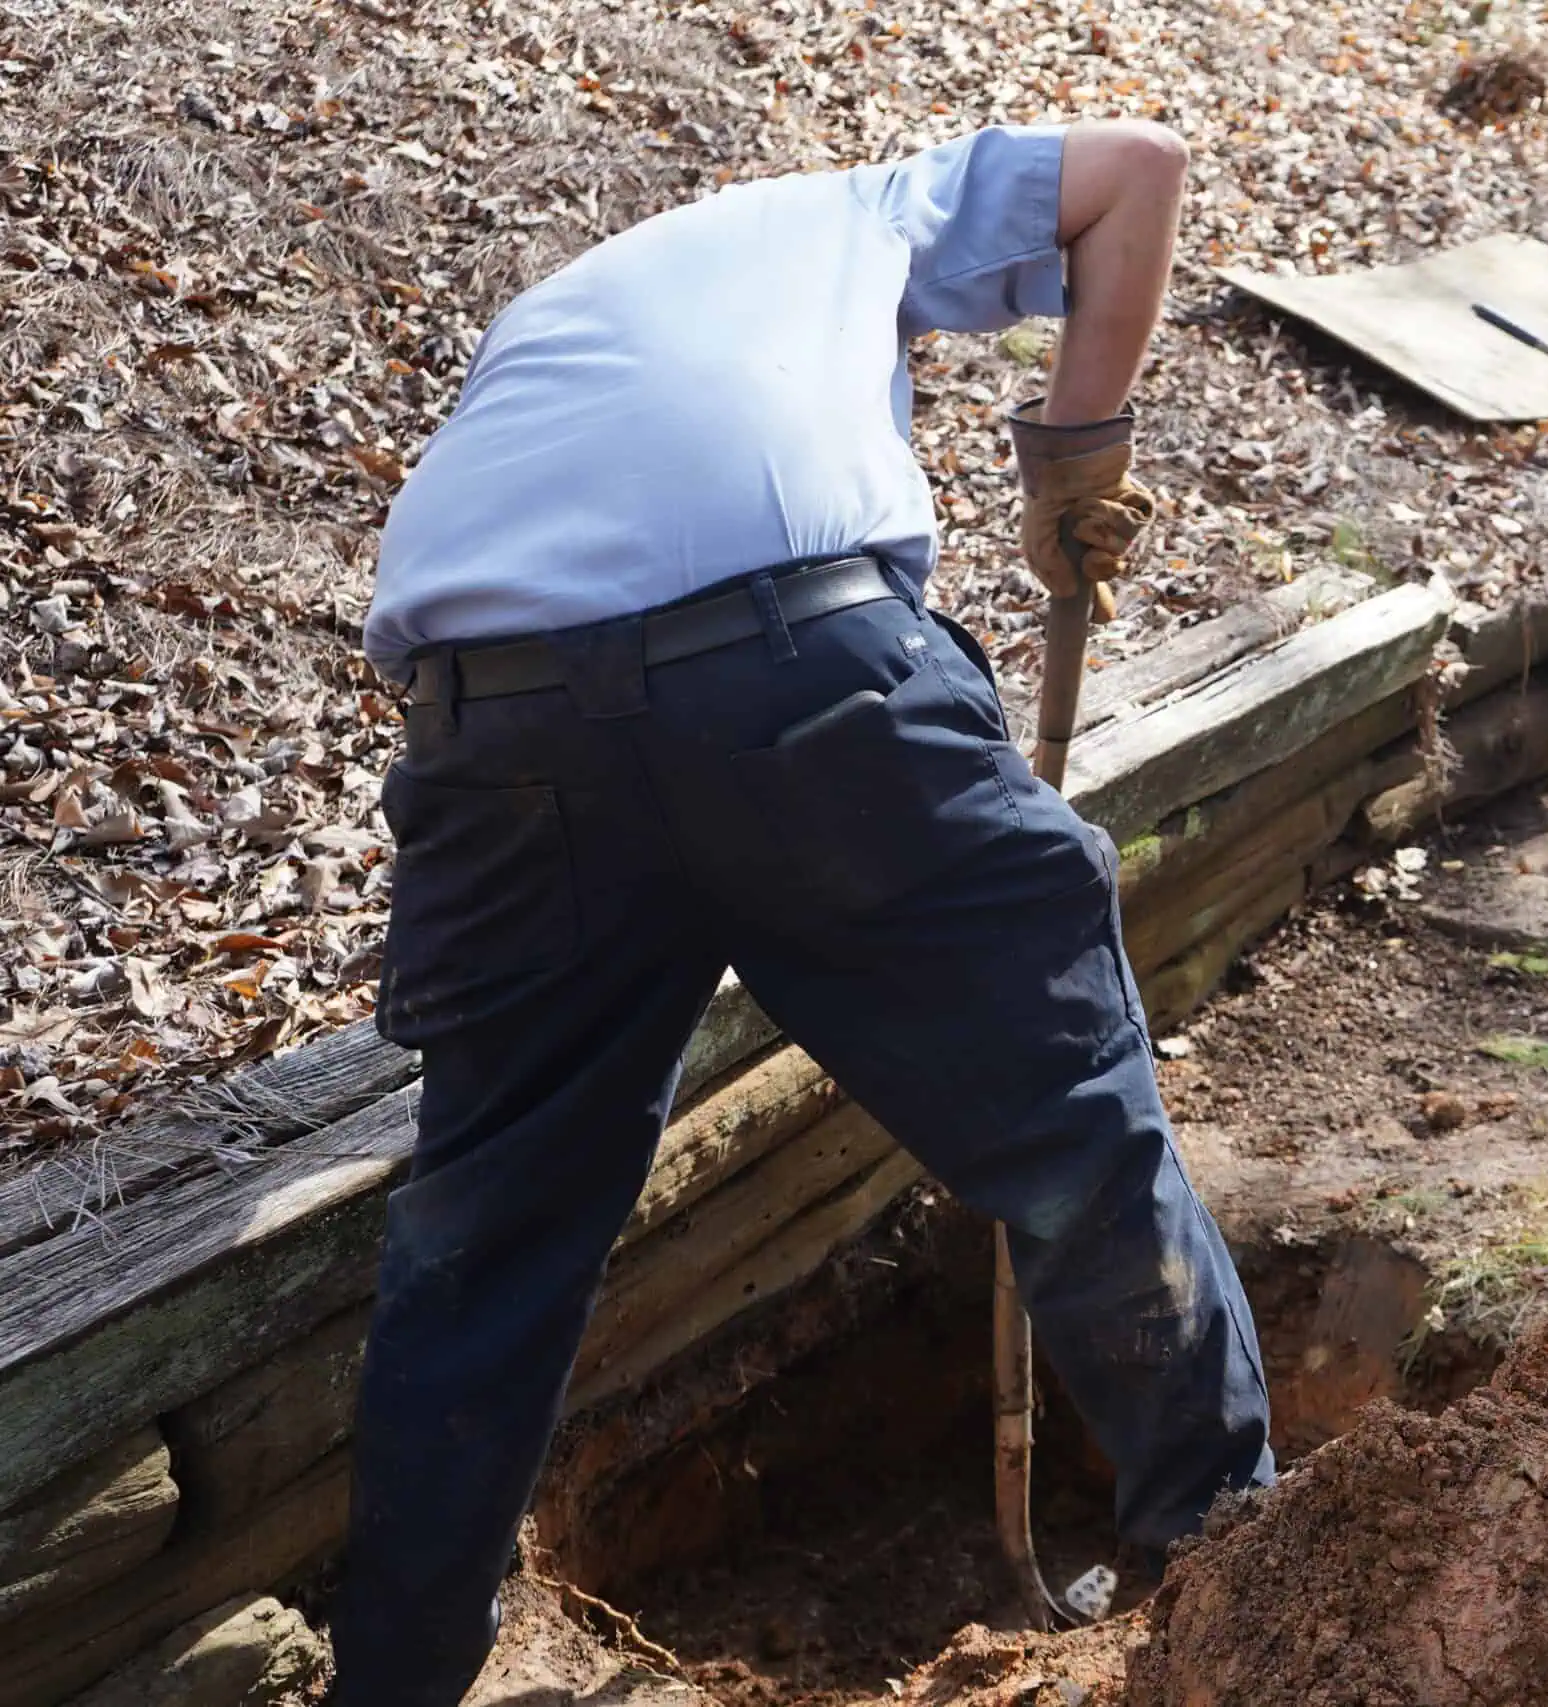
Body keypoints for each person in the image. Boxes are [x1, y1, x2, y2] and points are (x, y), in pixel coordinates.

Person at [330, 119, 1276, 1705]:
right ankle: (1249, 1581)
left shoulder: (566, 320)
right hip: (800, 679)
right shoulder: (870, 210)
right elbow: (1143, 167)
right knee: (1069, 1128)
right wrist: (1076, 449)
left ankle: (396, 1681)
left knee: (486, 1237)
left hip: (494, 735)